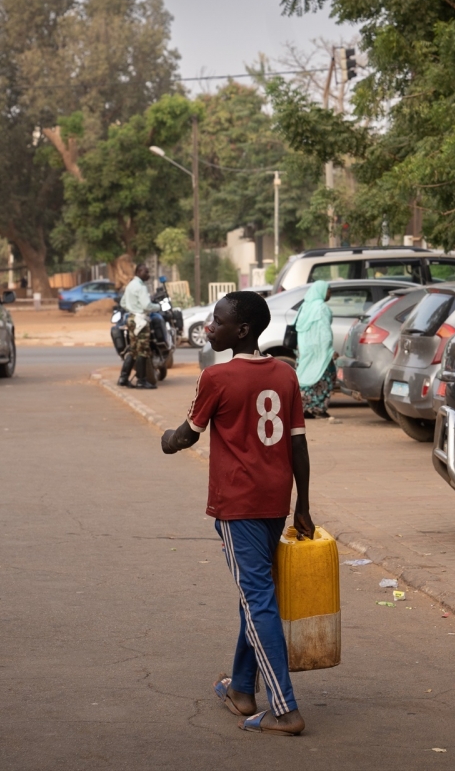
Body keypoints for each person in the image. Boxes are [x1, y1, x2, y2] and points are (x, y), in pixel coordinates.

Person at [161, 291, 314, 737]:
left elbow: (188, 436)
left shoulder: (217, 377)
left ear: (241, 331)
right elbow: (298, 445)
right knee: (257, 593)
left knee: (257, 598)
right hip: (275, 502)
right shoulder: (285, 375)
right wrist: (302, 505)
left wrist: (167, 439)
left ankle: (285, 710)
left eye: (218, 320)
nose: (209, 326)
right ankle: (242, 689)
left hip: (238, 504)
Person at [293, 280, 335, 418]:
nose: (330, 293)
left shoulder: (305, 306)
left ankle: (303, 408)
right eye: (328, 290)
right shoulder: (321, 307)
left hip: (305, 350)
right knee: (326, 378)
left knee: (304, 378)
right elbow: (324, 331)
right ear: (321, 291)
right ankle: (318, 408)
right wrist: (329, 349)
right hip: (320, 350)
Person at [119, 264, 158, 389]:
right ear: (139, 272)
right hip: (140, 321)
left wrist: (132, 309)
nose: (148, 274)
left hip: (131, 319)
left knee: (133, 349)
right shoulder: (141, 287)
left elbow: (123, 302)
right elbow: (147, 305)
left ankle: (123, 378)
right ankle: (141, 380)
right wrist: (158, 307)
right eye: (146, 272)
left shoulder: (130, 285)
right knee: (143, 351)